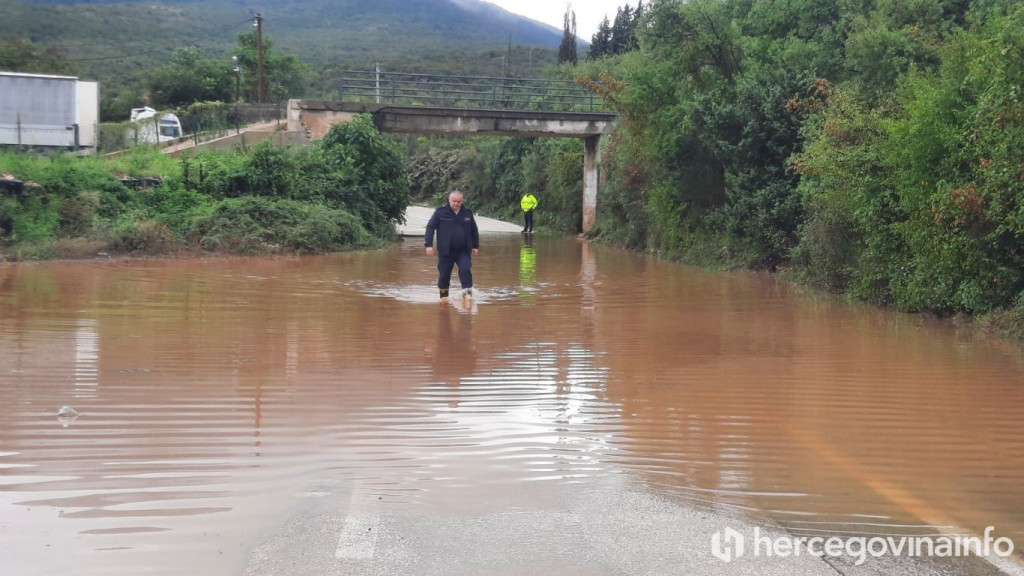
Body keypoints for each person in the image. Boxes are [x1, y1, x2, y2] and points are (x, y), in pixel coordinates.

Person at [425, 190, 480, 299]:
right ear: (449, 200)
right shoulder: (440, 212)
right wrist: (428, 245)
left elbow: (474, 230)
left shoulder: (467, 213)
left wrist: (475, 246)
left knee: (465, 270)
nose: (456, 204)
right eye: (454, 201)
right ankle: (444, 298)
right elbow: (430, 228)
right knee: (444, 275)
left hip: (463, 250)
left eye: (458, 202)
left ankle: (467, 296)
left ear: (462, 201)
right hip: (446, 251)